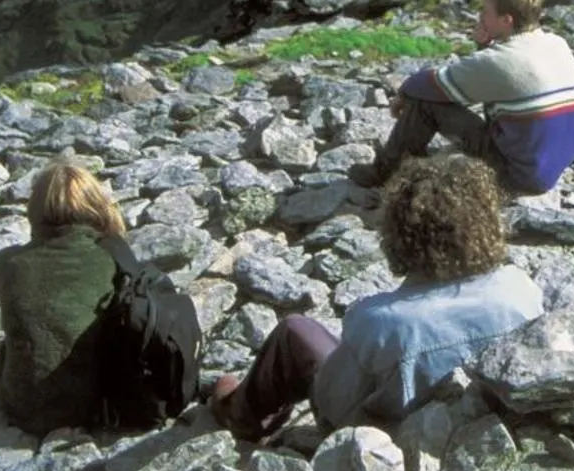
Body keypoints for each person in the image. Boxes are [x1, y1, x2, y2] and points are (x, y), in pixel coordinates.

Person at [210, 155, 544, 441]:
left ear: (398, 235)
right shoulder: (522, 289)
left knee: (295, 332)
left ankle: (241, 415)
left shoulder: (380, 320)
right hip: (478, 434)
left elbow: (333, 402)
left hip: (389, 443)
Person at [0, 158, 199, 436]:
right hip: (94, 409)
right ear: (95, 207)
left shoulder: (8, 261)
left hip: (23, 408)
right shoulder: (112, 256)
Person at [347, 0, 574, 195]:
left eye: (485, 11)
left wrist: (404, 93)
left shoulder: (502, 59)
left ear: (506, 20)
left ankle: (386, 172)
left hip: (518, 176)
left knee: (424, 102)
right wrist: (484, 48)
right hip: (552, 165)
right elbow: (496, 78)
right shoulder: (556, 43)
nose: (480, 16)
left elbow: (433, 83)